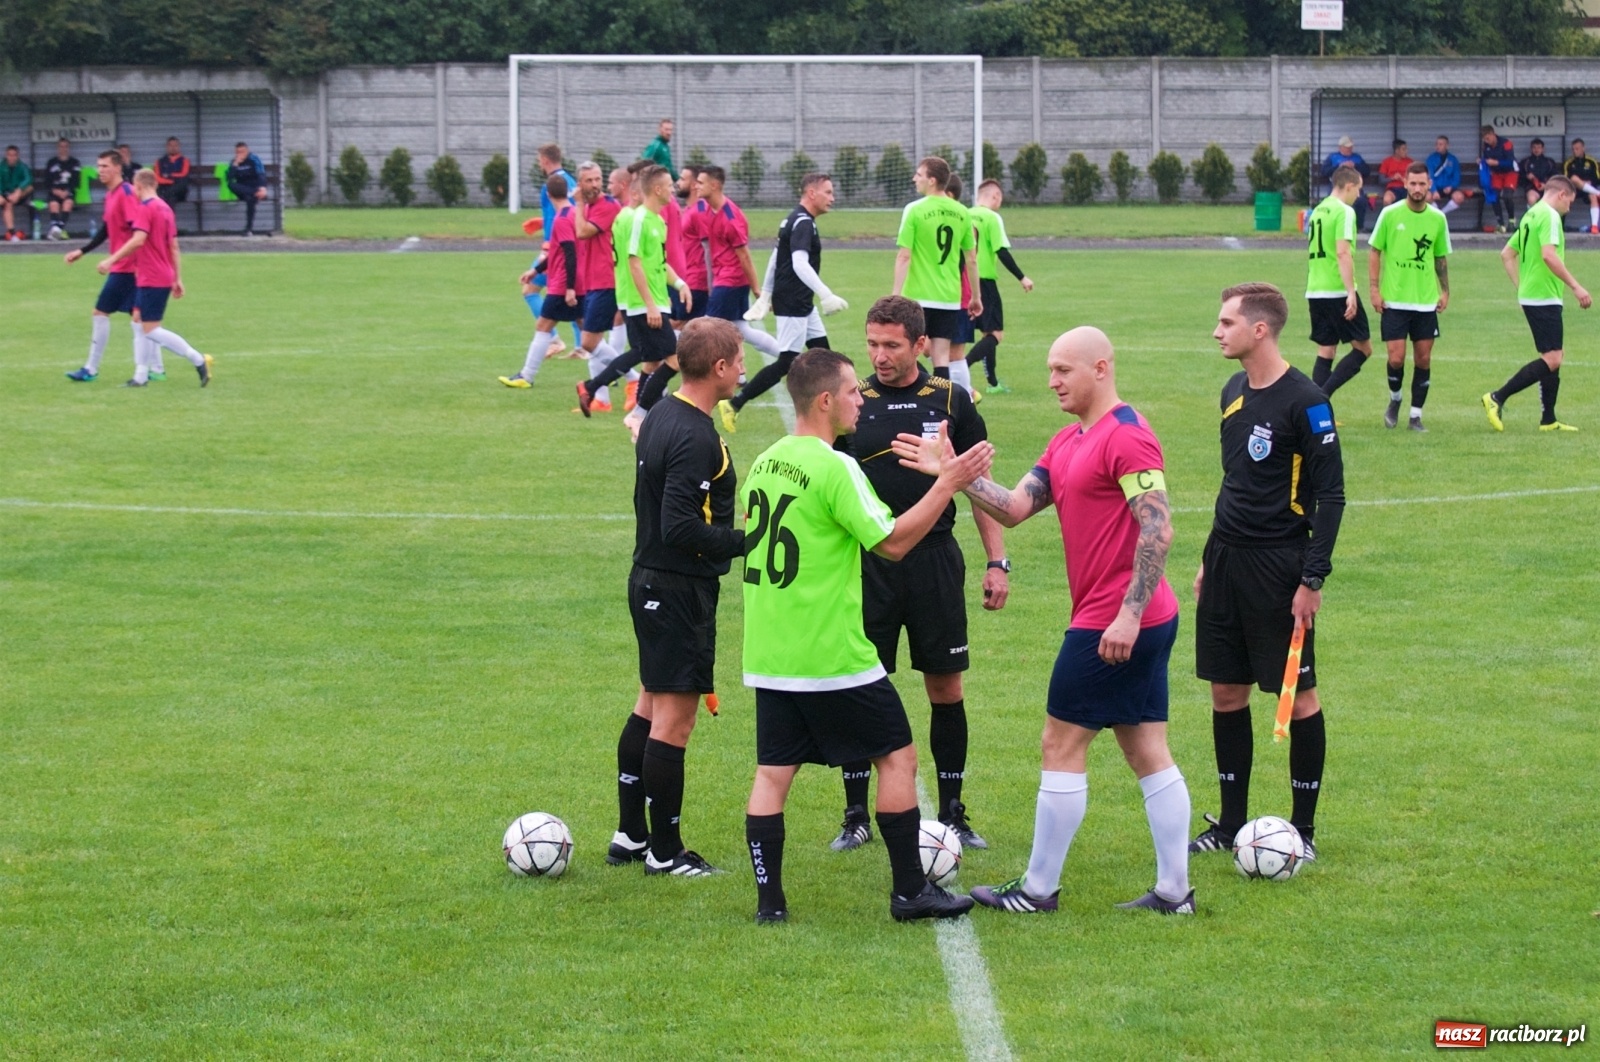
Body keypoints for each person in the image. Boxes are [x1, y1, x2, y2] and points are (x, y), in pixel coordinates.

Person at [904, 326, 1193, 915]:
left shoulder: (1129, 438)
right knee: (1145, 749)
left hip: (1115, 621)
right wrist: (952, 474)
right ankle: (1174, 892)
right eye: (1050, 369)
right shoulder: (1066, 442)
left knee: (1059, 742)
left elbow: (1158, 527)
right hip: (1127, 618)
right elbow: (1012, 508)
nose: (1053, 380)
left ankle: (1038, 890)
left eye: (1064, 369)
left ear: (1102, 368)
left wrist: (1127, 616)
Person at [740, 348, 993, 924]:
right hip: (831, 652)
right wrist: (947, 482)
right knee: (899, 757)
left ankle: (770, 904)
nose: (862, 399)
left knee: (773, 775)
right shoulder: (835, 467)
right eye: (853, 392)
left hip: (770, 651)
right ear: (826, 401)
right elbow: (894, 542)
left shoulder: (767, 461)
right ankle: (910, 891)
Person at [822, 295, 1008, 853]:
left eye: (891, 345)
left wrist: (997, 561)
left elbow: (978, 486)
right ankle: (855, 812)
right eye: (872, 344)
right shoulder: (855, 405)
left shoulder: (952, 398)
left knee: (945, 686)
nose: (878, 356)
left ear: (920, 345)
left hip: (934, 561)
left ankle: (952, 811)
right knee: (857, 686)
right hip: (869, 565)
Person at [1189, 282, 1344, 864]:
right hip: (1226, 560)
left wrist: (1312, 580)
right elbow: (1235, 482)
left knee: (1297, 696)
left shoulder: (1307, 401)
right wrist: (1209, 556)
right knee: (1226, 692)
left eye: (1226, 322)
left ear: (1260, 330)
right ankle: (1231, 823)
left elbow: (1332, 495)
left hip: (1279, 566)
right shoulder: (1232, 390)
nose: (1217, 331)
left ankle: (1302, 831)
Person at [609, 317, 747, 876]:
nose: (744, 368)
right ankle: (665, 853)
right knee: (673, 722)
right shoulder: (695, 435)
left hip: (648, 581)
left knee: (648, 704)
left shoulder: (662, 410)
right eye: (739, 360)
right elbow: (679, 526)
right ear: (718, 368)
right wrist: (747, 542)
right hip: (676, 589)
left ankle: (630, 835)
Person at [718, 171, 843, 430]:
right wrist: (825, 293)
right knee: (787, 362)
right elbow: (798, 262)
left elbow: (776, 258)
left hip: (799, 302)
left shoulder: (793, 219)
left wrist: (765, 293)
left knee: (827, 357)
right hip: (794, 302)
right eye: (828, 192)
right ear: (812, 193)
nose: (833, 197)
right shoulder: (803, 222)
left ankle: (835, 409)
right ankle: (735, 403)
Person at [1484, 175, 1591, 433]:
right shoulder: (1550, 216)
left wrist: (1522, 289)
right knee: (1553, 358)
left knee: (1553, 356)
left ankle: (1548, 419)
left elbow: (1507, 254)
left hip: (1535, 295)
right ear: (1562, 194)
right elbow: (1548, 255)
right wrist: (1576, 286)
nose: (1569, 209)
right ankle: (1496, 397)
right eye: (1570, 202)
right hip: (1544, 295)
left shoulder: (1530, 215)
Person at [96, 169, 213, 388]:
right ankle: (140, 376)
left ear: (139, 186)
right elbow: (174, 247)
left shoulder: (146, 208)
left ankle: (198, 359)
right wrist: (177, 278)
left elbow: (138, 240)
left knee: (151, 329)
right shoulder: (166, 209)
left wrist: (111, 260)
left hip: (152, 276)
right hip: (160, 274)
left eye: (135, 188)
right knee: (138, 322)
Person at [1368, 161, 1451, 432]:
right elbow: (1375, 251)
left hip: (1425, 301)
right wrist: (1374, 289)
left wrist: (1445, 290)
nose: (1417, 189)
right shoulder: (1390, 214)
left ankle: (1415, 416)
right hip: (1394, 300)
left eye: (1422, 184)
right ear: (1405, 183)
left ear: (1429, 185)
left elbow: (1440, 257)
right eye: (1412, 183)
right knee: (1396, 358)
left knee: (1424, 359)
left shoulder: (1438, 219)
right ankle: (1395, 399)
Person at [892, 156, 980, 379]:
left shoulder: (914, 210)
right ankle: (942, 408)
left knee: (907, 353)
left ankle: (912, 406)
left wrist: (895, 295)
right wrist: (975, 297)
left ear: (932, 180)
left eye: (919, 175)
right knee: (942, 359)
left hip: (917, 298)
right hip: (948, 297)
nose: (915, 179)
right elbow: (972, 259)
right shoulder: (962, 212)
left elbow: (904, 256)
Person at [687, 165, 783, 369]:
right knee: (741, 330)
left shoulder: (731, 218)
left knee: (706, 330)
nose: (696, 186)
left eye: (701, 182)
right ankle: (788, 358)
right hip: (725, 280)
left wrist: (758, 290)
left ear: (714, 185)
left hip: (731, 282)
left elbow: (745, 256)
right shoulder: (711, 211)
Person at [64, 150, 144, 382]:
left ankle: (91, 368)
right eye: (98, 166)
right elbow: (107, 230)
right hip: (124, 266)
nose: (100, 170)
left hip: (128, 267)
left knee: (101, 313)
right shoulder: (111, 195)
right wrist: (82, 251)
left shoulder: (127, 193)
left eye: (105, 166)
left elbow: (137, 231)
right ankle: (159, 368)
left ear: (118, 168)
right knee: (142, 321)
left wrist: (116, 260)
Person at [499, 175, 582, 389]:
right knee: (591, 336)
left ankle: (526, 376)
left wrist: (570, 287)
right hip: (571, 284)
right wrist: (535, 271)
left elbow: (570, 254)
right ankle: (625, 376)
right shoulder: (572, 213)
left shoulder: (562, 219)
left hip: (562, 285)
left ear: (547, 194)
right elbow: (557, 253)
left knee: (543, 326)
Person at [624, 165, 696, 414]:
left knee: (652, 362)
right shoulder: (640, 219)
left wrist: (680, 284)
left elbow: (660, 264)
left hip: (657, 301)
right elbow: (633, 263)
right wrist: (650, 305)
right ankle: (639, 414)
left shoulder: (659, 221)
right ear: (657, 189)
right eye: (669, 186)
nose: (673, 190)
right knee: (675, 360)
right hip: (645, 305)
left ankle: (640, 412)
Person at [1307, 166, 1374, 397]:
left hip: (1315, 289)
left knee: (1327, 348)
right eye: (1359, 190)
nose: (1359, 195)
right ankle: (1321, 397)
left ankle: (1316, 410)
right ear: (1349, 186)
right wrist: (1351, 293)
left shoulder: (1318, 210)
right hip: (1336, 290)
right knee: (1363, 348)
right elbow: (1342, 252)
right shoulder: (1344, 212)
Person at [570, 162, 628, 413]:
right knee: (596, 341)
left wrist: (579, 204)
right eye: (589, 180)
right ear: (580, 184)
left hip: (607, 281)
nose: (594, 184)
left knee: (589, 341)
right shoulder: (590, 207)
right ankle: (601, 399)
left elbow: (582, 232)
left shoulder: (607, 206)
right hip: (593, 282)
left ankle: (635, 381)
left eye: (597, 179)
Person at [966, 178, 1033, 395]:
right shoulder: (991, 218)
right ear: (995, 197)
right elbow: (1001, 251)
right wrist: (1022, 277)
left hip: (963, 280)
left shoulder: (964, 214)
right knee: (996, 334)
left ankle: (993, 383)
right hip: (984, 279)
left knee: (986, 333)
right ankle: (962, 368)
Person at [530, 143, 577, 356]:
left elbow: (559, 219)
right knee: (575, 302)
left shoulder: (550, 185)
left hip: (555, 249)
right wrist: (541, 222)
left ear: (546, 160)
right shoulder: (570, 181)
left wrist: (547, 247)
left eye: (540, 160)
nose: (540, 164)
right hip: (561, 245)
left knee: (530, 289)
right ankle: (581, 346)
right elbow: (566, 214)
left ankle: (554, 339)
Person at [1321, 137, 1370, 229]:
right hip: (1337, 185)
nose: (1350, 149)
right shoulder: (1333, 157)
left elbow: (1367, 171)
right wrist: (1339, 166)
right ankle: (1334, 225)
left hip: (1354, 184)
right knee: (1336, 202)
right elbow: (1324, 172)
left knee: (1361, 201)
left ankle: (1358, 227)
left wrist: (1355, 165)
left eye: (1351, 147)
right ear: (1340, 147)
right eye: (1347, 147)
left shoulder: (1357, 157)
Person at [1479, 125, 1518, 233]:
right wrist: (1482, 161)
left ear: (1493, 134)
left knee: (1507, 196)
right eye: (1484, 139)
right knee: (1494, 196)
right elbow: (1487, 159)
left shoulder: (1506, 143)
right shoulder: (1485, 146)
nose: (1487, 141)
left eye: (1488, 138)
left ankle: (1511, 221)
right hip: (1497, 174)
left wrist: (1496, 162)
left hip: (1510, 172)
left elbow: (1510, 162)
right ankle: (1501, 224)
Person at [226, 142, 268, 236]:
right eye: (238, 152)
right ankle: (257, 193)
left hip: (252, 188)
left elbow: (261, 174)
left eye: (242, 152)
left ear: (247, 151)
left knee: (250, 199)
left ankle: (248, 229)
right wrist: (235, 164)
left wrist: (262, 187)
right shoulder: (234, 162)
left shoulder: (254, 159)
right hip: (243, 190)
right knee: (231, 185)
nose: (240, 154)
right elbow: (229, 178)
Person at [42, 139, 81, 240]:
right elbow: (47, 181)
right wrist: (55, 190)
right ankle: (59, 230)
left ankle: (56, 229)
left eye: (65, 146)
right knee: (53, 204)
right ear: (58, 148)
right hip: (54, 191)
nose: (63, 149)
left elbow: (76, 181)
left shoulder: (75, 163)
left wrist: (67, 191)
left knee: (67, 203)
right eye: (61, 146)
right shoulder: (51, 162)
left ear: (69, 148)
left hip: (68, 191)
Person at [1425, 135, 1469, 216]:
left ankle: (1442, 214)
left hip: (1448, 188)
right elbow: (1429, 177)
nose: (1438, 146)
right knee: (1426, 197)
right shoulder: (1431, 159)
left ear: (1447, 146)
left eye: (1441, 144)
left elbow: (1456, 177)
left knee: (1459, 197)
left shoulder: (1453, 159)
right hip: (1435, 188)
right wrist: (1434, 190)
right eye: (1437, 144)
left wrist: (1451, 187)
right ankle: (1437, 213)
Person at [1563, 140, 1600, 234]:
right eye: (1573, 149)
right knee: (1574, 179)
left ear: (1583, 148)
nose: (1575, 151)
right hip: (1574, 190)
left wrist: (1589, 182)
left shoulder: (1591, 161)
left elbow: (1597, 178)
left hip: (1589, 189)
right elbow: (1566, 179)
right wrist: (1579, 182)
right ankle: (1561, 224)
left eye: (1577, 149)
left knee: (1593, 196)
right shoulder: (1569, 163)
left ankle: (1594, 226)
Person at [1, 144, 33, 241]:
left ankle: (12, 234)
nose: (12, 157)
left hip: (18, 195)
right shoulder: (1, 167)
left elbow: (28, 179)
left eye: (14, 155)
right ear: (6, 156)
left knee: (29, 187)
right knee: (6, 203)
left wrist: (18, 190)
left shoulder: (22, 166)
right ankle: (11, 232)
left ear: (17, 156)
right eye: (9, 155)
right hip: (4, 194)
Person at [1520, 138, 1559, 208]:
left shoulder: (1549, 161)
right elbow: (1519, 177)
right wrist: (1527, 176)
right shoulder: (1525, 162)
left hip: (1548, 187)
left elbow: (1555, 177)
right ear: (1531, 149)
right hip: (1532, 188)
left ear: (1543, 149)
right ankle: (1532, 218)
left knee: (1555, 201)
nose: (1536, 150)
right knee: (1531, 199)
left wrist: (1546, 184)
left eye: (1539, 147)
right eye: (1534, 147)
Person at [155, 137, 191, 206]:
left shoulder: (185, 160)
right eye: (171, 145)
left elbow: (183, 175)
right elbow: (157, 178)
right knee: (169, 196)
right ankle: (169, 216)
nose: (173, 148)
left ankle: (167, 216)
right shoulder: (159, 162)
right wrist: (171, 181)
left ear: (179, 146)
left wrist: (169, 175)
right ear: (167, 147)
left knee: (180, 184)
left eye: (175, 145)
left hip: (180, 191)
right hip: (165, 190)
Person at [1378, 140, 1411, 206]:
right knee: (1387, 200)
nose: (1406, 151)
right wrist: (1392, 178)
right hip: (1393, 189)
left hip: (1408, 189)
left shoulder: (1410, 162)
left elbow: (1416, 178)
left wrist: (1405, 179)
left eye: (1406, 149)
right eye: (1403, 149)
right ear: (1397, 151)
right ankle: (1391, 216)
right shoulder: (1387, 162)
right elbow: (1381, 180)